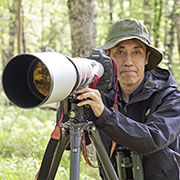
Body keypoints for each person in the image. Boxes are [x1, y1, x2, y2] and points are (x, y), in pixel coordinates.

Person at [57, 18, 180, 180]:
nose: (128, 62)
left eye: (136, 52)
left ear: (147, 58)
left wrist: (105, 115)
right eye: (120, 52)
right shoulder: (101, 95)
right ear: (109, 57)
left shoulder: (170, 97)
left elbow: (152, 140)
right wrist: (70, 95)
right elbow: (68, 143)